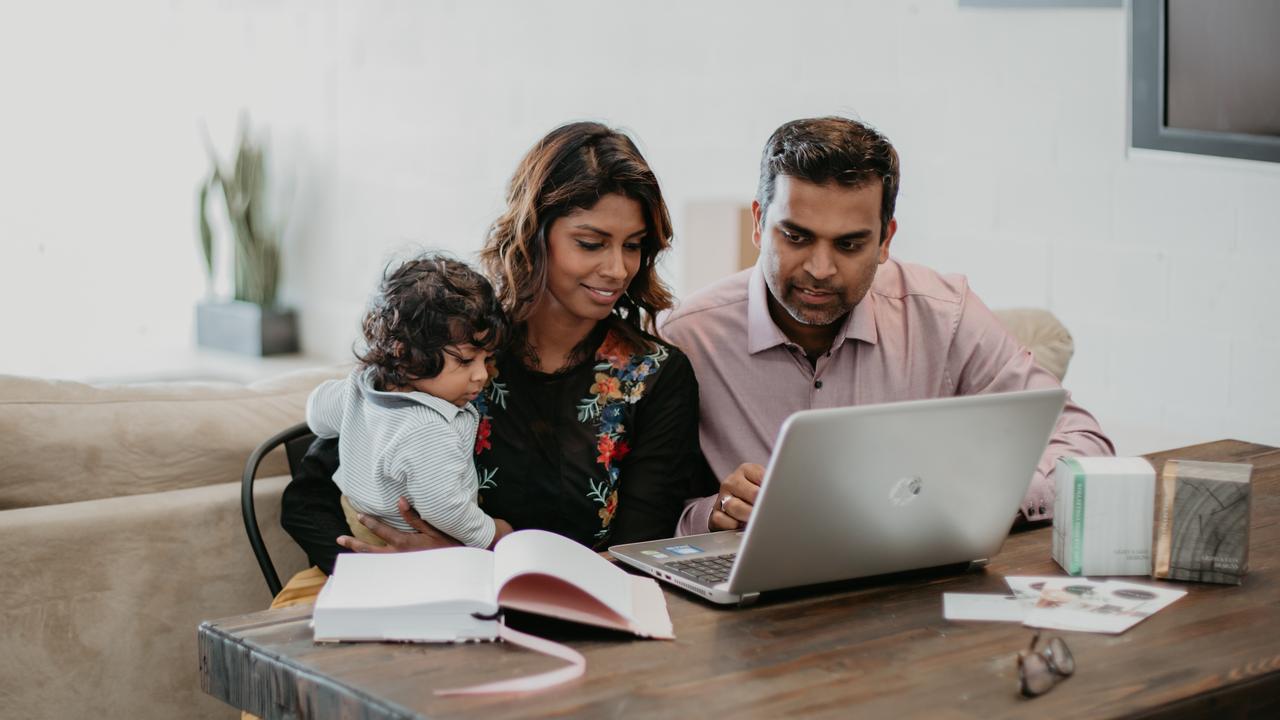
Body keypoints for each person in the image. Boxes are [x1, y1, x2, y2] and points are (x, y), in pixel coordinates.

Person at [280, 122, 708, 575]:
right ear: (533, 234)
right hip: (408, 604)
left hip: (578, 620)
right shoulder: (453, 348)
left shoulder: (657, 376)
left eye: (634, 246)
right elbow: (308, 500)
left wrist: (467, 562)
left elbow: (637, 555)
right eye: (590, 243)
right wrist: (378, 569)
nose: (618, 269)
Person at [664, 116, 1114, 537]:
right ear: (760, 224)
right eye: (796, 237)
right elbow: (645, 517)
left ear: (885, 241)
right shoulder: (687, 338)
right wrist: (716, 512)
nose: (821, 269)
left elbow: (1084, 448)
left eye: (849, 244)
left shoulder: (945, 315)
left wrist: (975, 502)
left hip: (919, 581)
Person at [305, 255, 512, 550]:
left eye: (486, 359)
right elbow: (446, 510)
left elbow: (317, 415)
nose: (481, 375)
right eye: (465, 361)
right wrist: (492, 533)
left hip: (359, 523)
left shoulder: (360, 387)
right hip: (415, 546)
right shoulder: (427, 429)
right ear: (404, 354)